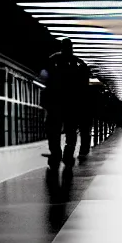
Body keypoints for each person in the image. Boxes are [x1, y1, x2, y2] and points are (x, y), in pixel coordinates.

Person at [40, 38, 91, 169]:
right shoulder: (78, 63)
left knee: (53, 131)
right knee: (71, 131)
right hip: (72, 104)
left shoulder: (52, 60)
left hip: (55, 103)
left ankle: (56, 153)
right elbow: (85, 84)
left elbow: (44, 77)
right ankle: (68, 154)